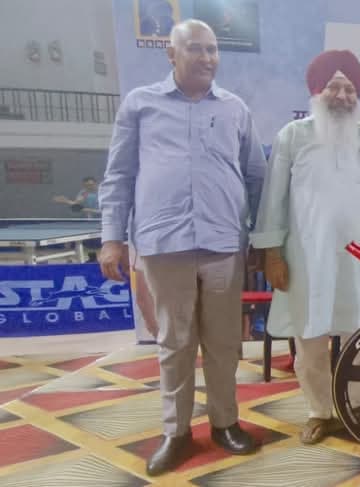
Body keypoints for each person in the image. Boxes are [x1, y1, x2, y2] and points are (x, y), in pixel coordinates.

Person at [97, 19, 266, 476]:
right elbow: (119, 175)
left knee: (224, 342)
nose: (207, 58)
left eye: (212, 49)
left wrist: (262, 239)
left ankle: (225, 423)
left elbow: (257, 178)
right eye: (195, 49)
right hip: (163, 243)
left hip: (223, 243)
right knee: (174, 342)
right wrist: (112, 238)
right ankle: (176, 432)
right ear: (171, 54)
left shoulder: (234, 109)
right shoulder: (141, 104)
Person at [251, 50, 360, 444]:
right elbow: (273, 199)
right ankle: (320, 411)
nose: (342, 96)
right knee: (310, 336)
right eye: (334, 87)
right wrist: (271, 252)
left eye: (350, 89)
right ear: (317, 91)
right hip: (307, 259)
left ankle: (355, 403)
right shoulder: (292, 136)